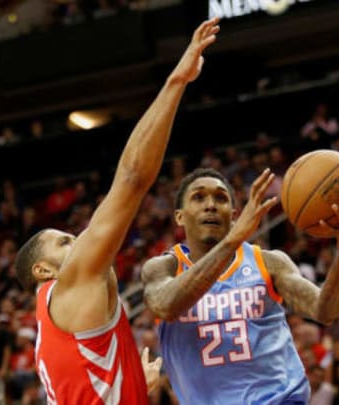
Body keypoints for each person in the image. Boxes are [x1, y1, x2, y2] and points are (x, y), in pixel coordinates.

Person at [13, 18, 220, 404]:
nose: (79, 242)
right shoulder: (73, 282)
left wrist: (133, 387)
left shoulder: (51, 328)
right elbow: (132, 178)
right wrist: (176, 82)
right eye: (64, 242)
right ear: (44, 270)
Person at [141, 167, 339, 404]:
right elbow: (166, 305)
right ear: (179, 216)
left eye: (220, 198)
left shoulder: (268, 262)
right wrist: (232, 240)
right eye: (199, 197)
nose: (210, 205)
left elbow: (326, 310)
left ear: (233, 215)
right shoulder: (162, 268)